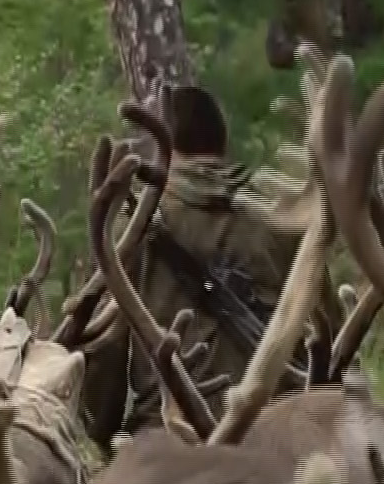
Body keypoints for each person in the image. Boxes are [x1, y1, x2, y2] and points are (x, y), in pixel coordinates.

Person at [122, 84, 332, 437]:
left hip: (167, 440)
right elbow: (326, 329)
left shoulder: (133, 227)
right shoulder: (283, 218)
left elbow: (105, 361)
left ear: (161, 146)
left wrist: (101, 434)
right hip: (276, 433)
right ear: (221, 142)